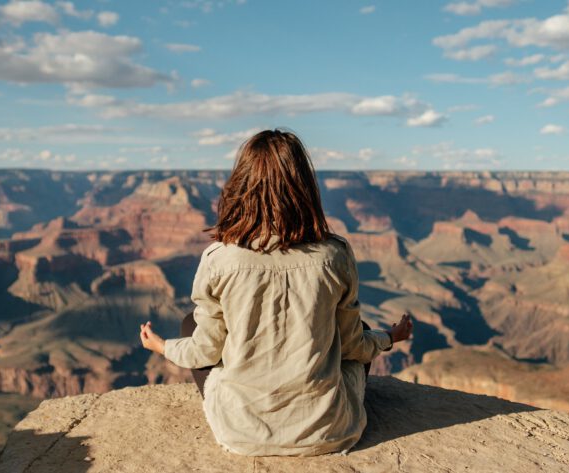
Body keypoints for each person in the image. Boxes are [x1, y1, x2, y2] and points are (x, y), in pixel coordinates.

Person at [139, 128, 413, 457]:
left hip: (240, 434)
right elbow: (353, 346)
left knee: (190, 326)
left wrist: (162, 347)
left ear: (241, 186)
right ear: (305, 187)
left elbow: (206, 352)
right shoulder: (334, 255)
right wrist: (389, 337)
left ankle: (248, 417)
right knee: (363, 331)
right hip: (330, 432)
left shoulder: (219, 258)